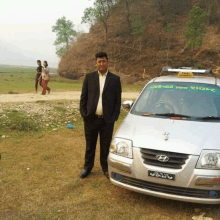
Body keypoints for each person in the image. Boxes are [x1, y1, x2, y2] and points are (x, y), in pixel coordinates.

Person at [80, 52, 122, 179]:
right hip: (91, 119)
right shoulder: (89, 77)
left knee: (105, 146)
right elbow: (84, 97)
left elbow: (117, 101)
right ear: (95, 63)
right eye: (99, 61)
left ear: (107, 62)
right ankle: (87, 167)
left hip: (107, 120)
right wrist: (84, 114)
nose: (101, 64)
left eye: (103, 61)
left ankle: (105, 167)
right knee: (90, 145)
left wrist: (113, 117)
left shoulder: (115, 79)